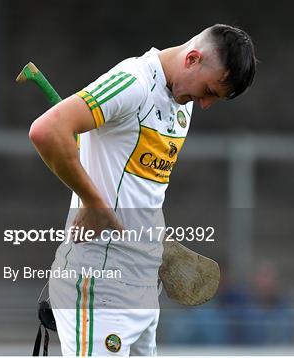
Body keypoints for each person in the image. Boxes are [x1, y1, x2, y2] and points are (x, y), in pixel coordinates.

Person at [29, 24, 257, 356]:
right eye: (208, 90)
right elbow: (47, 130)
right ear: (192, 59)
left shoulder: (183, 103)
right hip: (99, 284)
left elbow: (141, 187)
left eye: (215, 99)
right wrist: (93, 202)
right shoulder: (133, 82)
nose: (205, 104)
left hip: (144, 286)